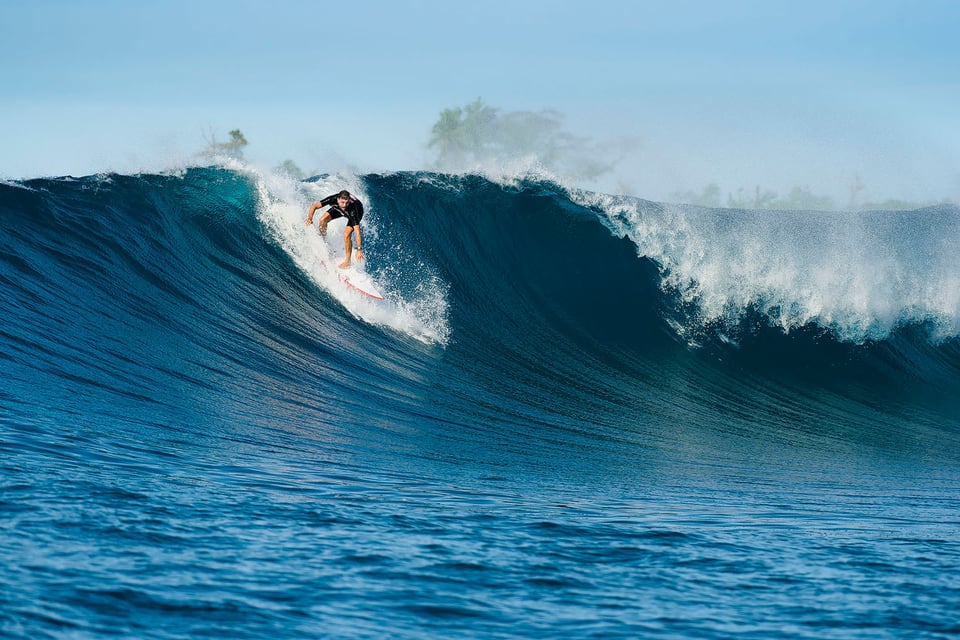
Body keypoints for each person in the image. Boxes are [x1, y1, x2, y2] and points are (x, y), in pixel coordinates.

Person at [305, 190, 365, 268]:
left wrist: (359, 249)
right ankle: (323, 239)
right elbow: (315, 206)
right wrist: (309, 218)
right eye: (342, 202)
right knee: (323, 220)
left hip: (358, 211)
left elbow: (357, 231)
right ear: (338, 199)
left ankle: (347, 262)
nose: (344, 205)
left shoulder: (352, 210)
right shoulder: (333, 199)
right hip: (338, 209)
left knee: (346, 234)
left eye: (347, 203)